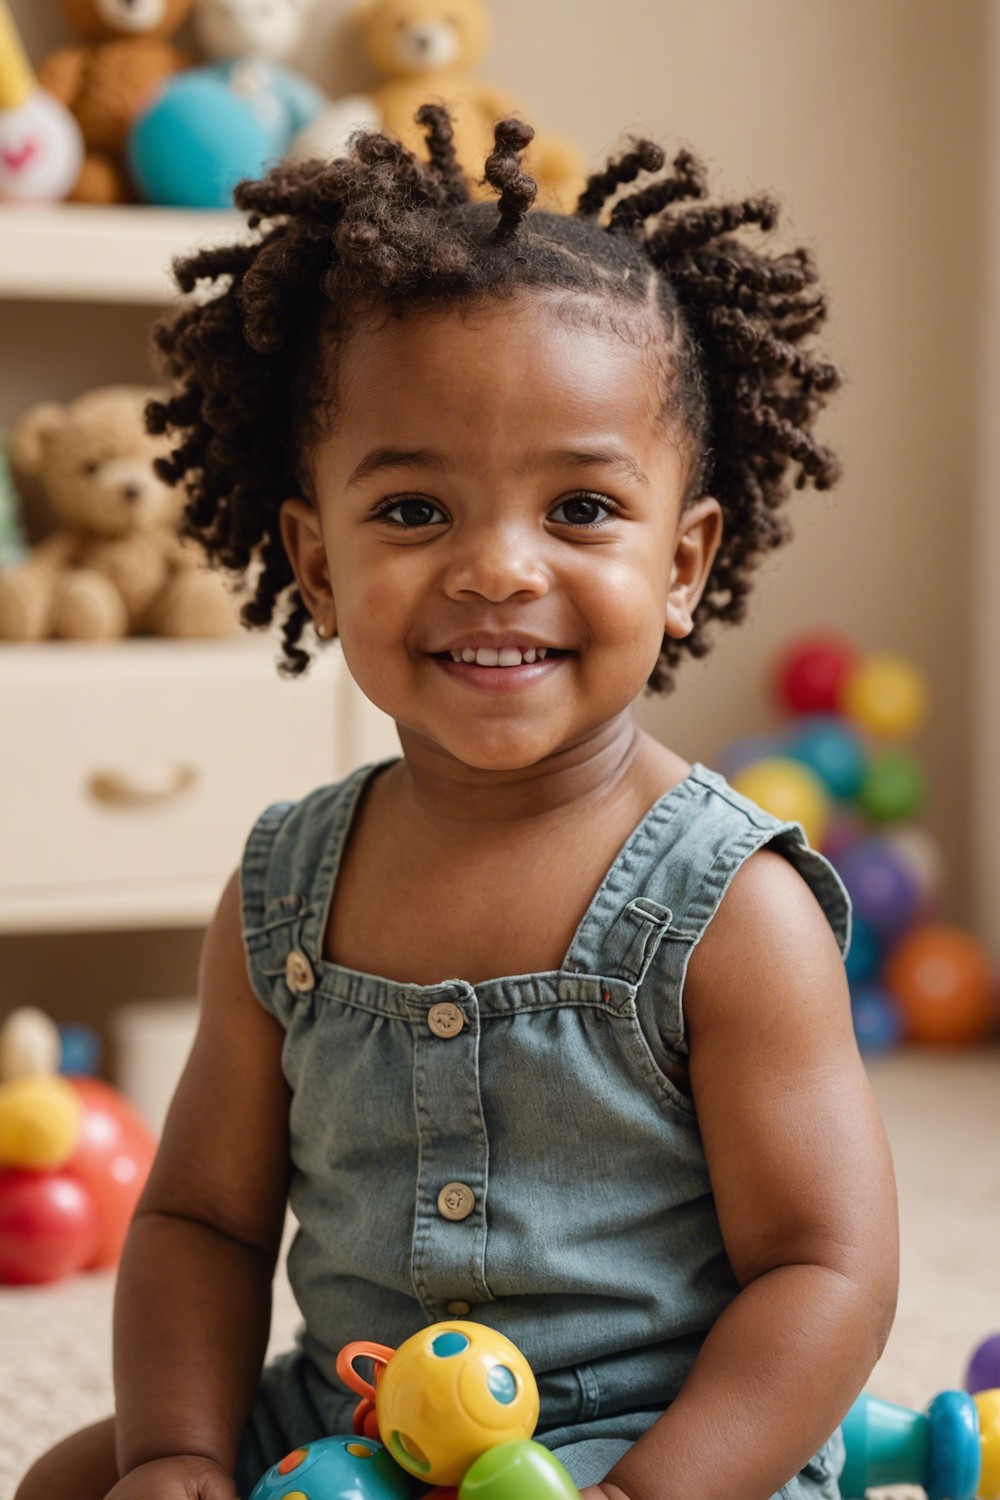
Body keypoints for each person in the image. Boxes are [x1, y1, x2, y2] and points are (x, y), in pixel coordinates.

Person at [16, 107, 898, 1500]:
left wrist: (648, 1491)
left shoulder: (736, 908)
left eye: (583, 510)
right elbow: (198, 1217)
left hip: (650, 1434)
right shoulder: (282, 889)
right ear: (314, 560)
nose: (497, 569)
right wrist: (179, 1453)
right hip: (355, 1421)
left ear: (685, 561)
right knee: (73, 1481)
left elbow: (827, 1270)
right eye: (416, 512)